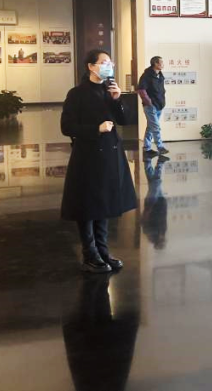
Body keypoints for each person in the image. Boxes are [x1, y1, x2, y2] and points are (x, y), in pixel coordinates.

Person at [60, 50, 139, 274]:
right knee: (88, 205)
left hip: (110, 155)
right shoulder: (77, 94)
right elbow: (67, 127)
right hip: (88, 156)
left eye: (110, 62)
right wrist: (96, 129)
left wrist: (118, 100)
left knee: (103, 203)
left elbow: (125, 119)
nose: (109, 66)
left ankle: (103, 251)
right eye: (104, 62)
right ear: (91, 66)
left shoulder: (109, 90)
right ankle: (90, 254)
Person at [137, 56, 168, 157]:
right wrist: (148, 102)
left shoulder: (160, 75)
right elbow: (141, 90)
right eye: (161, 62)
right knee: (155, 126)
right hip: (150, 106)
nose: (163, 64)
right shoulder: (147, 76)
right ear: (155, 64)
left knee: (151, 127)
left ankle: (147, 148)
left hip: (159, 105)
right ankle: (160, 146)